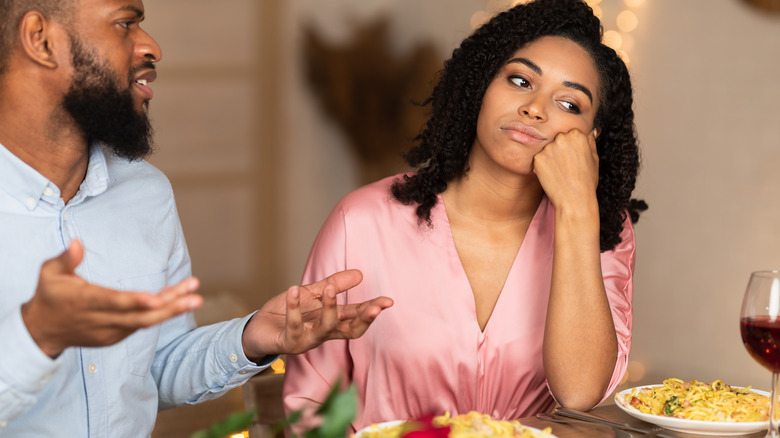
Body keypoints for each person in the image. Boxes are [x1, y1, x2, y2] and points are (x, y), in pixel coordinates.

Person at [0, 0, 393, 436]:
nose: (151, 48)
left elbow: (153, 368)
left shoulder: (145, 193)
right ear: (41, 40)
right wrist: (36, 337)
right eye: (125, 24)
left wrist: (252, 338)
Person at [283, 0, 648, 432]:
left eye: (570, 104)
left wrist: (576, 210)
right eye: (519, 80)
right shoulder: (360, 221)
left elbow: (580, 391)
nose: (536, 108)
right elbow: (311, 405)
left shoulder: (602, 230)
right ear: (481, 86)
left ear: (592, 137)